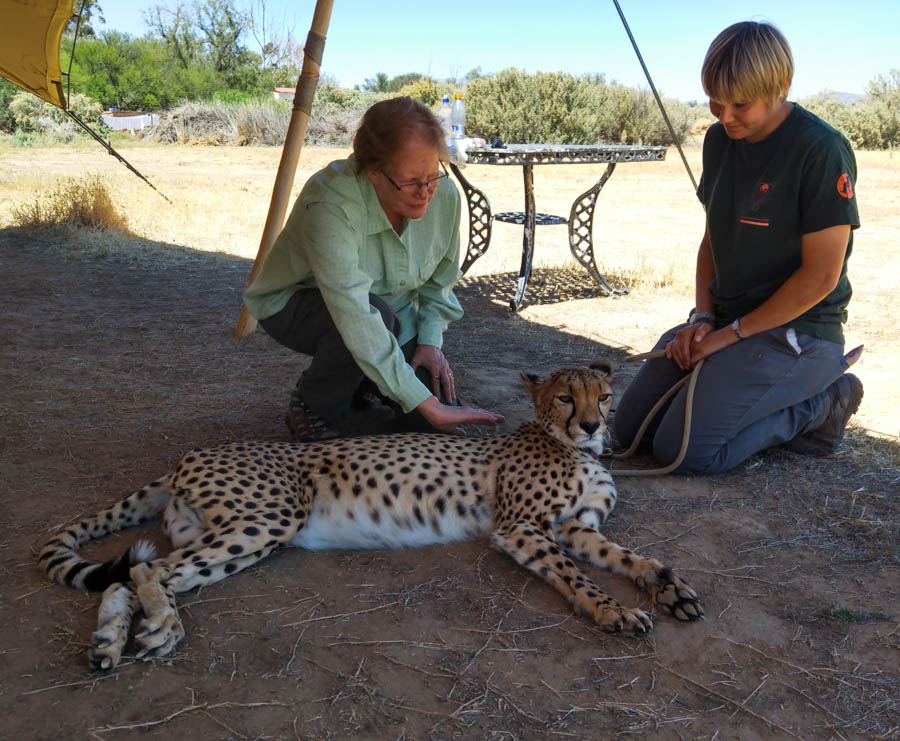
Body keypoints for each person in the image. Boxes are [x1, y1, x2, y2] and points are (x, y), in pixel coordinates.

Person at [613, 21, 863, 474]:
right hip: (728, 325)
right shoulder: (717, 140)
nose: (724, 116)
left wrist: (726, 338)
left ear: (781, 86)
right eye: (715, 100)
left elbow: (821, 277)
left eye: (740, 104)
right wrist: (704, 319)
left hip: (800, 333)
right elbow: (713, 240)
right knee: (629, 431)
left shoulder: (821, 149)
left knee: (684, 452)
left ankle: (822, 404)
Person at [243, 96, 504, 440]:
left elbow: (439, 285)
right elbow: (354, 313)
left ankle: (366, 385)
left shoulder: (446, 197)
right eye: (411, 181)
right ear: (373, 173)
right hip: (298, 304)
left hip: (388, 314)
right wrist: (422, 401)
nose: (425, 192)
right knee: (382, 328)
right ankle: (314, 402)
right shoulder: (330, 200)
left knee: (436, 426)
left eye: (432, 175)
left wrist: (429, 344)